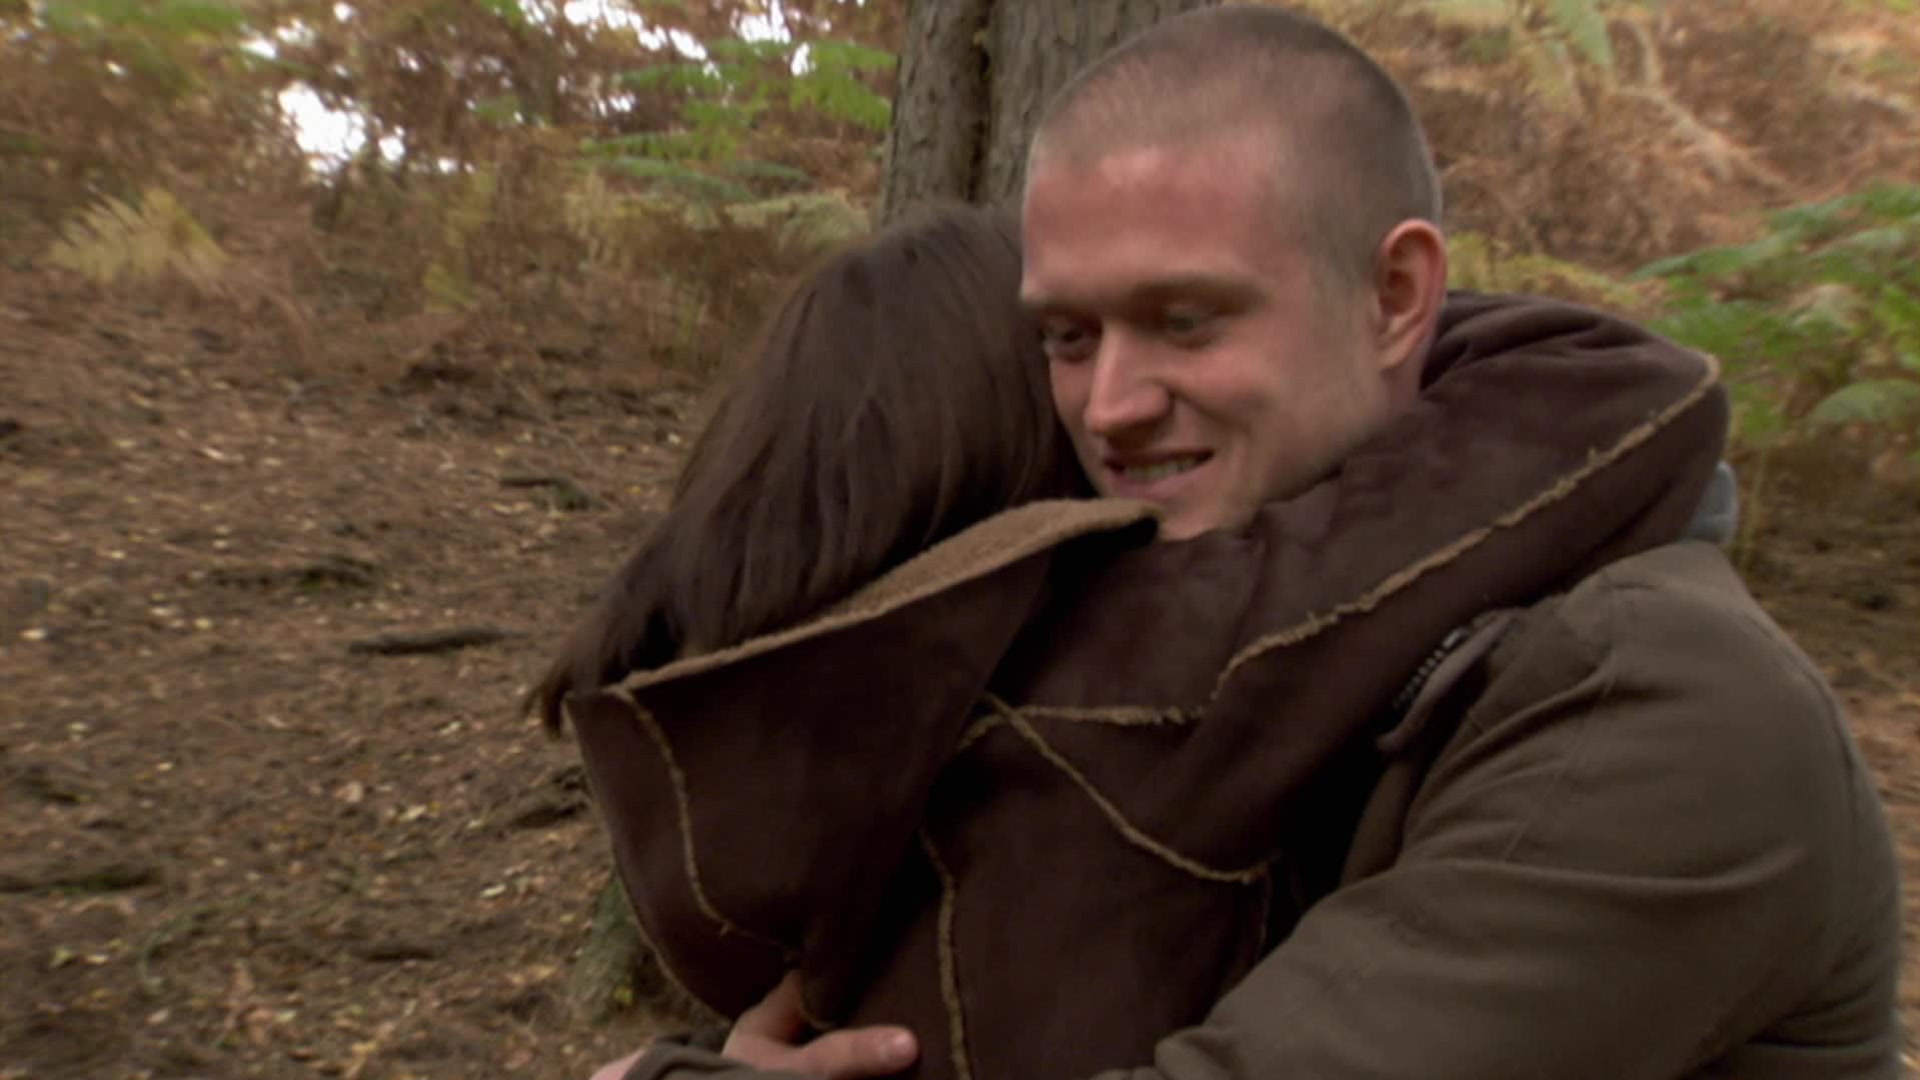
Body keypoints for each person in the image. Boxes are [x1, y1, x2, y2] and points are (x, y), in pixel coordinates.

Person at [574, 6, 1904, 1079]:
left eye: (1186, 320)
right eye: (1068, 336)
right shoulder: (1258, 640)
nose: (1110, 404)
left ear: (1396, 297)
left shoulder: (1654, 703)